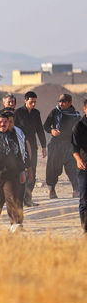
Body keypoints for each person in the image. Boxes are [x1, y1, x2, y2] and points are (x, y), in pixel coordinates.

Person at [44, 93, 81, 198]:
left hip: (70, 145)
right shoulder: (55, 112)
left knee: (73, 168)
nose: (61, 104)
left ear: (70, 102)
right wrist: (52, 130)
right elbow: (46, 126)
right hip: (56, 144)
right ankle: (51, 190)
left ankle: (76, 190)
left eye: (63, 102)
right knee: (53, 168)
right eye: (60, 101)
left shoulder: (76, 115)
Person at [13, 91, 47, 206]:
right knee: (21, 172)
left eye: (35, 102)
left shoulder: (36, 113)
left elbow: (40, 130)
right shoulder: (18, 113)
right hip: (20, 147)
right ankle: (18, 198)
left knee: (32, 172)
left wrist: (43, 146)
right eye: (31, 102)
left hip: (32, 146)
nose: (33, 104)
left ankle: (27, 198)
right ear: (25, 100)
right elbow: (13, 130)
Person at [72, 99, 87, 234]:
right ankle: (85, 229)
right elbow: (74, 147)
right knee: (84, 199)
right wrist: (78, 159)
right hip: (84, 167)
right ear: (85, 109)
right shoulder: (79, 126)